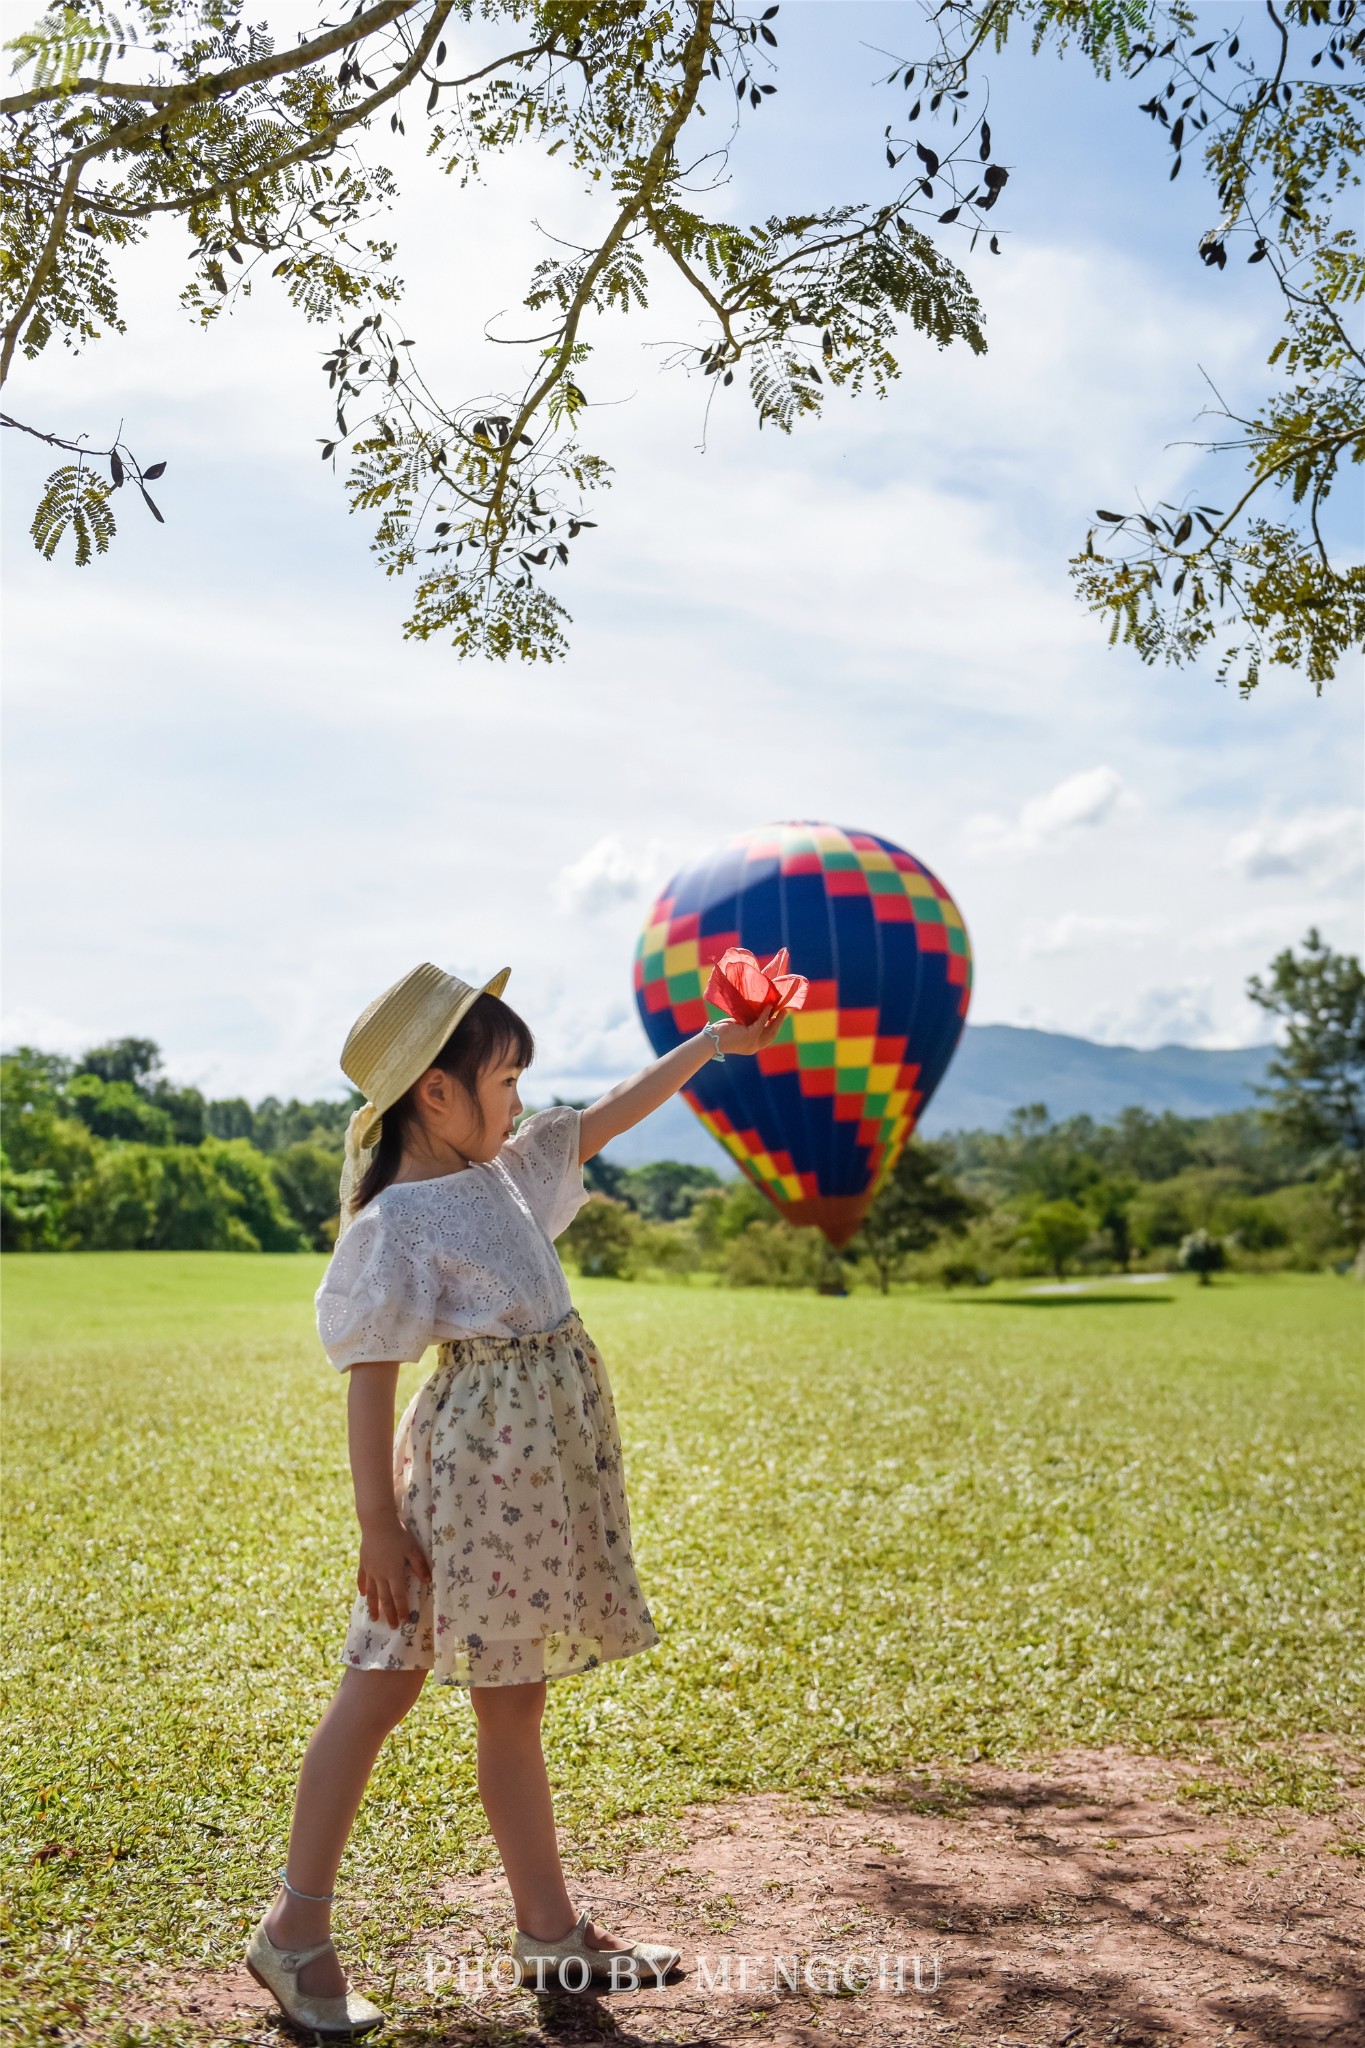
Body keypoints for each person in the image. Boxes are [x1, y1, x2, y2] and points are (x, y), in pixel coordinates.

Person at [244, 961, 784, 2037]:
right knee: (380, 1681)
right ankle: (295, 1930)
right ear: (435, 1095)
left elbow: (602, 1118)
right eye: (504, 1079)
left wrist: (713, 1044)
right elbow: (374, 1370)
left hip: (526, 1479)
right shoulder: (399, 1219)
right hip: (472, 1479)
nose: (522, 1101)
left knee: (510, 1696)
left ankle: (549, 1933)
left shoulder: (499, 1171)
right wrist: (377, 1522)